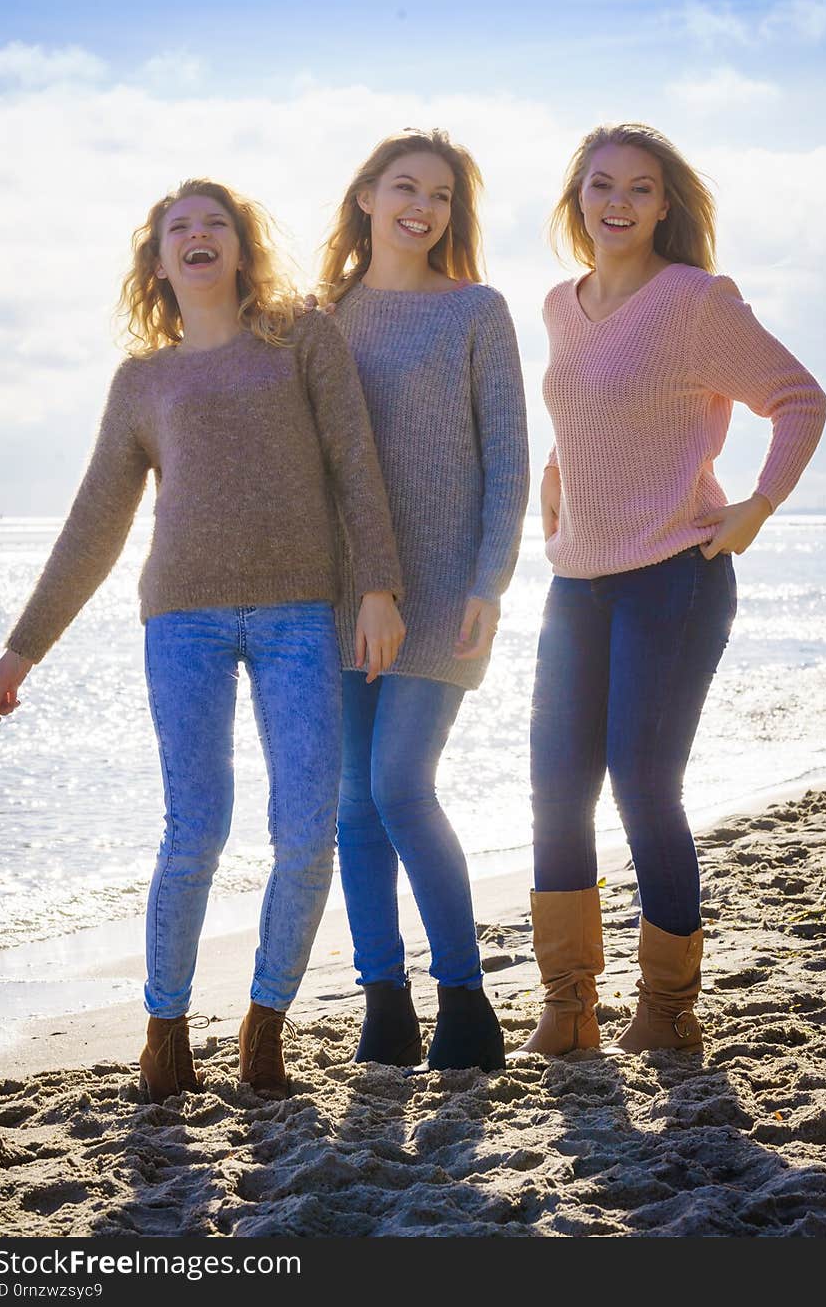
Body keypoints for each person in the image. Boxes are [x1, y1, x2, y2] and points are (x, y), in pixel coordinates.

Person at [0, 178, 405, 1103]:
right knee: (194, 833)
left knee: (305, 833)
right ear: (160, 259)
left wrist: (378, 586)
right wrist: (25, 647)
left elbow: (356, 465)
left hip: (302, 614)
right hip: (182, 622)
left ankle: (264, 1026)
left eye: (216, 223)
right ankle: (166, 1033)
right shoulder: (144, 380)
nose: (199, 235)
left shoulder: (302, 340)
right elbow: (98, 518)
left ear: (242, 249)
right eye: (181, 228)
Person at [516, 123, 826, 1059]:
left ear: (664, 205)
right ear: (578, 198)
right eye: (601, 183)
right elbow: (585, 417)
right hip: (579, 585)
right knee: (556, 788)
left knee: (644, 782)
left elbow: (799, 399)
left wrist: (756, 508)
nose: (618, 201)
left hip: (673, 581)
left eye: (640, 188)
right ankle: (569, 1008)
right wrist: (556, 493)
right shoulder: (560, 306)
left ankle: (667, 1010)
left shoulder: (697, 300)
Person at [318, 129, 530, 1072]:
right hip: (338, 594)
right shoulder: (319, 319)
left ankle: (465, 999)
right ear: (367, 196)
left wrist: (492, 579)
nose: (424, 206)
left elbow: (509, 461)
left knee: (401, 784)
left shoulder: (478, 311)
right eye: (407, 187)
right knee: (352, 807)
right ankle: (383, 1004)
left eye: (442, 195)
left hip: (446, 591)